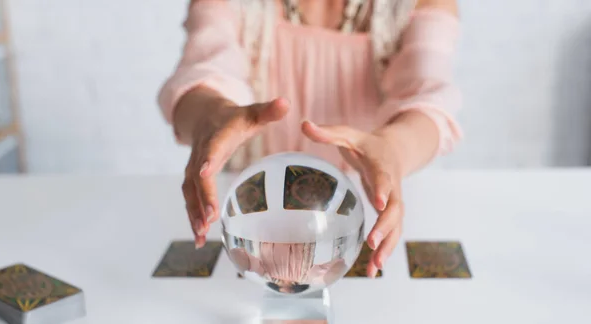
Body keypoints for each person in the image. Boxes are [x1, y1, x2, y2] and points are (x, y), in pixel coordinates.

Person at [158, 0, 461, 278]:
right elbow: (202, 74)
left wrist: (392, 149)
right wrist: (211, 117)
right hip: (258, 231)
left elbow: (429, 101)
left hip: (371, 221)